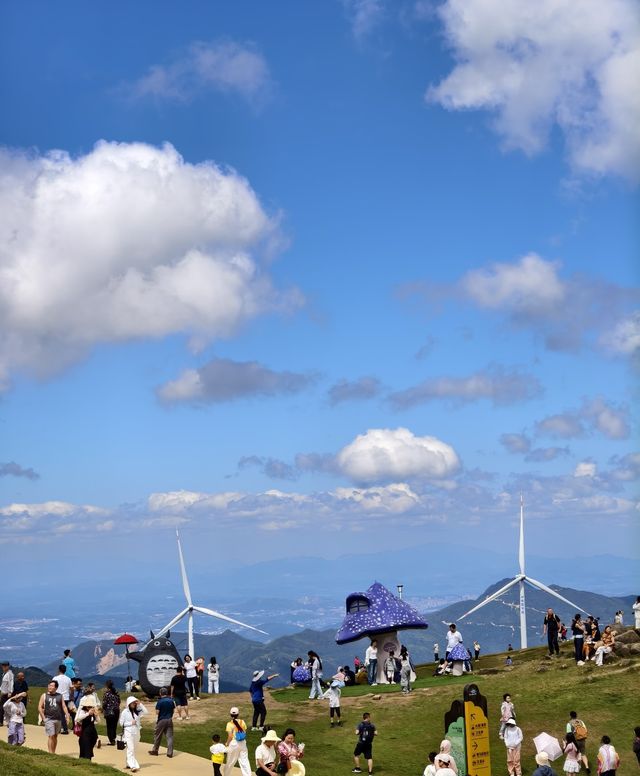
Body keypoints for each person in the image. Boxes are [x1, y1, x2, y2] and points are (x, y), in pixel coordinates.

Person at [38, 679, 70, 753]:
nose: (50, 687)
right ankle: (50, 752)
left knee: (55, 736)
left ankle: (53, 751)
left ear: (56, 688)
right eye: (49, 685)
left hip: (58, 719)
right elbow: (39, 707)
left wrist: (67, 716)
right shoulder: (44, 695)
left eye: (52, 686)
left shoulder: (60, 696)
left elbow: (64, 706)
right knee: (51, 735)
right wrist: (43, 718)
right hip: (48, 718)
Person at [118, 696, 148, 773]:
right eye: (132, 703)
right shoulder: (125, 712)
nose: (134, 704)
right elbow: (121, 723)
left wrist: (140, 704)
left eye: (134, 703)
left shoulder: (137, 711)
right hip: (128, 732)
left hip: (136, 732)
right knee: (130, 748)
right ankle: (133, 766)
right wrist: (130, 723)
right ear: (129, 703)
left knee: (133, 749)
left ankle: (128, 763)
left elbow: (146, 712)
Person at [148, 686, 175, 758]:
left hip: (161, 720)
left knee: (157, 735)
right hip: (169, 719)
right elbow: (173, 711)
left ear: (161, 693)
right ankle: (170, 753)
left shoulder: (160, 701)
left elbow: (157, 712)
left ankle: (155, 750)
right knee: (169, 737)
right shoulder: (171, 700)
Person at [225, 705, 251, 776]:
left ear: (230, 714)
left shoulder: (229, 724)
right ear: (238, 714)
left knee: (230, 761)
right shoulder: (242, 722)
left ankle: (226, 775)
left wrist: (227, 743)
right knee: (244, 761)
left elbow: (230, 736)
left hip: (234, 743)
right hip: (242, 743)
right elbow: (244, 733)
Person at [52, 664, 73, 733]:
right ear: (65, 670)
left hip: (57, 697)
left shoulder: (55, 678)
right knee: (63, 713)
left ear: (59, 670)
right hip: (66, 698)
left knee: (57, 713)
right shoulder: (68, 679)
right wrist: (71, 695)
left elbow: (52, 688)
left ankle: (64, 728)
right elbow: (71, 688)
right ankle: (60, 727)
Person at [102, 679, 120, 746]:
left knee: (109, 726)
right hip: (116, 710)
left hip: (110, 711)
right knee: (114, 725)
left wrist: (103, 709)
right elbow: (119, 701)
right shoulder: (116, 692)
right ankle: (114, 738)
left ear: (107, 686)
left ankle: (111, 740)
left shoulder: (107, 694)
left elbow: (104, 703)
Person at [0, 661, 14, 726]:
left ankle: (2, 721)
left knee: (5, 707)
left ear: (8, 666)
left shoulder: (9, 674)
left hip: (6, 693)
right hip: (3, 692)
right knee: (3, 707)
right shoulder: (5, 673)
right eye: (3, 666)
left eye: (5, 666)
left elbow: (11, 683)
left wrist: (10, 692)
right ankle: (3, 721)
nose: (4, 667)